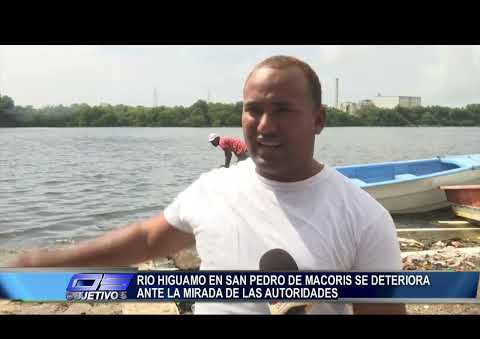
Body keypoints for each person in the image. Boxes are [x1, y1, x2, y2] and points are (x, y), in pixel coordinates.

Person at [12, 55, 405, 315]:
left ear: (318, 120)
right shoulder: (211, 189)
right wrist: (50, 262)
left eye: (283, 110)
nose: (265, 125)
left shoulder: (364, 217)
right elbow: (147, 241)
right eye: (253, 110)